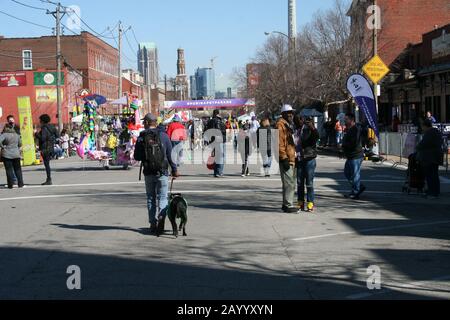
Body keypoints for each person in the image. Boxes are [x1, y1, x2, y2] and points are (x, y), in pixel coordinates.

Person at [134, 114, 179, 235]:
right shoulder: (164, 136)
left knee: (150, 198)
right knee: (163, 197)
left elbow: (136, 156)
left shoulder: (142, 137)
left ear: (148, 123)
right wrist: (174, 170)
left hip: (148, 172)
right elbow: (171, 155)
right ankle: (161, 217)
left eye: (144, 122)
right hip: (162, 171)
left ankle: (152, 224)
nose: (143, 124)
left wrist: (145, 155)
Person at [294, 116, 319, 213]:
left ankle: (310, 203)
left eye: (300, 120)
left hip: (309, 158)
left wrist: (312, 127)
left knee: (309, 183)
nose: (299, 121)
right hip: (299, 159)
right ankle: (300, 203)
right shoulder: (295, 130)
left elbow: (316, 136)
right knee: (300, 183)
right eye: (297, 120)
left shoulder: (308, 130)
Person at [277, 104, 298, 213]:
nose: (291, 115)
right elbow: (279, 143)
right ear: (283, 114)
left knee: (291, 182)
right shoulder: (280, 125)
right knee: (289, 182)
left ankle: (287, 204)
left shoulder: (288, 125)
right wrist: (283, 157)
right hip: (286, 158)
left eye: (292, 113)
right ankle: (288, 205)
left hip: (292, 157)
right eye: (289, 113)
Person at [416, 119, 443, 199]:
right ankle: (435, 191)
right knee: (434, 175)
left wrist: (417, 147)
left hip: (430, 157)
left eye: (422, 127)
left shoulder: (429, 133)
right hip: (436, 156)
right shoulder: (436, 131)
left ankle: (432, 192)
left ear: (425, 126)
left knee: (430, 175)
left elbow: (423, 144)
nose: (422, 129)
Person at [342, 113, 366, 200]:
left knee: (355, 174)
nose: (345, 120)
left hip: (356, 155)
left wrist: (344, 145)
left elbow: (354, 143)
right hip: (350, 156)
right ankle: (359, 186)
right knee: (347, 173)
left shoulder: (355, 129)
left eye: (346, 119)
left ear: (351, 120)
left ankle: (355, 192)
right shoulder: (349, 129)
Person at [35, 114, 58, 186]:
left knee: (47, 165)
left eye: (40, 120)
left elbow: (42, 138)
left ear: (42, 121)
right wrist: (51, 139)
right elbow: (57, 135)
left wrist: (36, 134)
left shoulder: (44, 128)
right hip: (51, 148)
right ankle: (48, 179)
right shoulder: (53, 127)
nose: (39, 121)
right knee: (47, 164)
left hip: (45, 148)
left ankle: (49, 179)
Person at [206, 110, 227, 178]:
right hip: (219, 139)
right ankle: (219, 172)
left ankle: (216, 172)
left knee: (216, 156)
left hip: (213, 140)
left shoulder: (210, 121)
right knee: (221, 156)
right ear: (218, 114)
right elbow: (219, 130)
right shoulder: (218, 120)